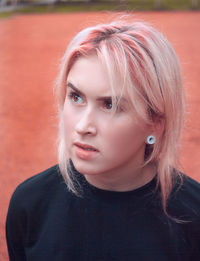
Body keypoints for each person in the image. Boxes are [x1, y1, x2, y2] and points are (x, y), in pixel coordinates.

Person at [6, 18, 200, 261]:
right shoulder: (30, 204)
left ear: (155, 123)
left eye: (110, 104)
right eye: (76, 97)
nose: (83, 126)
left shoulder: (193, 217)